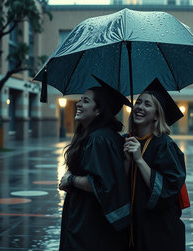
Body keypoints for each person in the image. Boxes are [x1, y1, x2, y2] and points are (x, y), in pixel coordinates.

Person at [58, 75, 132, 251]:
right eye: (80, 100)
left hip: (90, 219)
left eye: (85, 101)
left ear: (98, 110)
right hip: (87, 214)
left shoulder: (99, 139)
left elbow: (100, 183)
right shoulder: (99, 135)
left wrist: (70, 179)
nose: (79, 104)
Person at [124, 78, 186, 251]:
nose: (140, 107)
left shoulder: (164, 145)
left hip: (158, 228)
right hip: (131, 224)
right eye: (138, 102)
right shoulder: (125, 141)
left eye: (147, 104)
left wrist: (139, 160)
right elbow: (116, 184)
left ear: (157, 114)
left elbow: (169, 188)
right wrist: (127, 161)